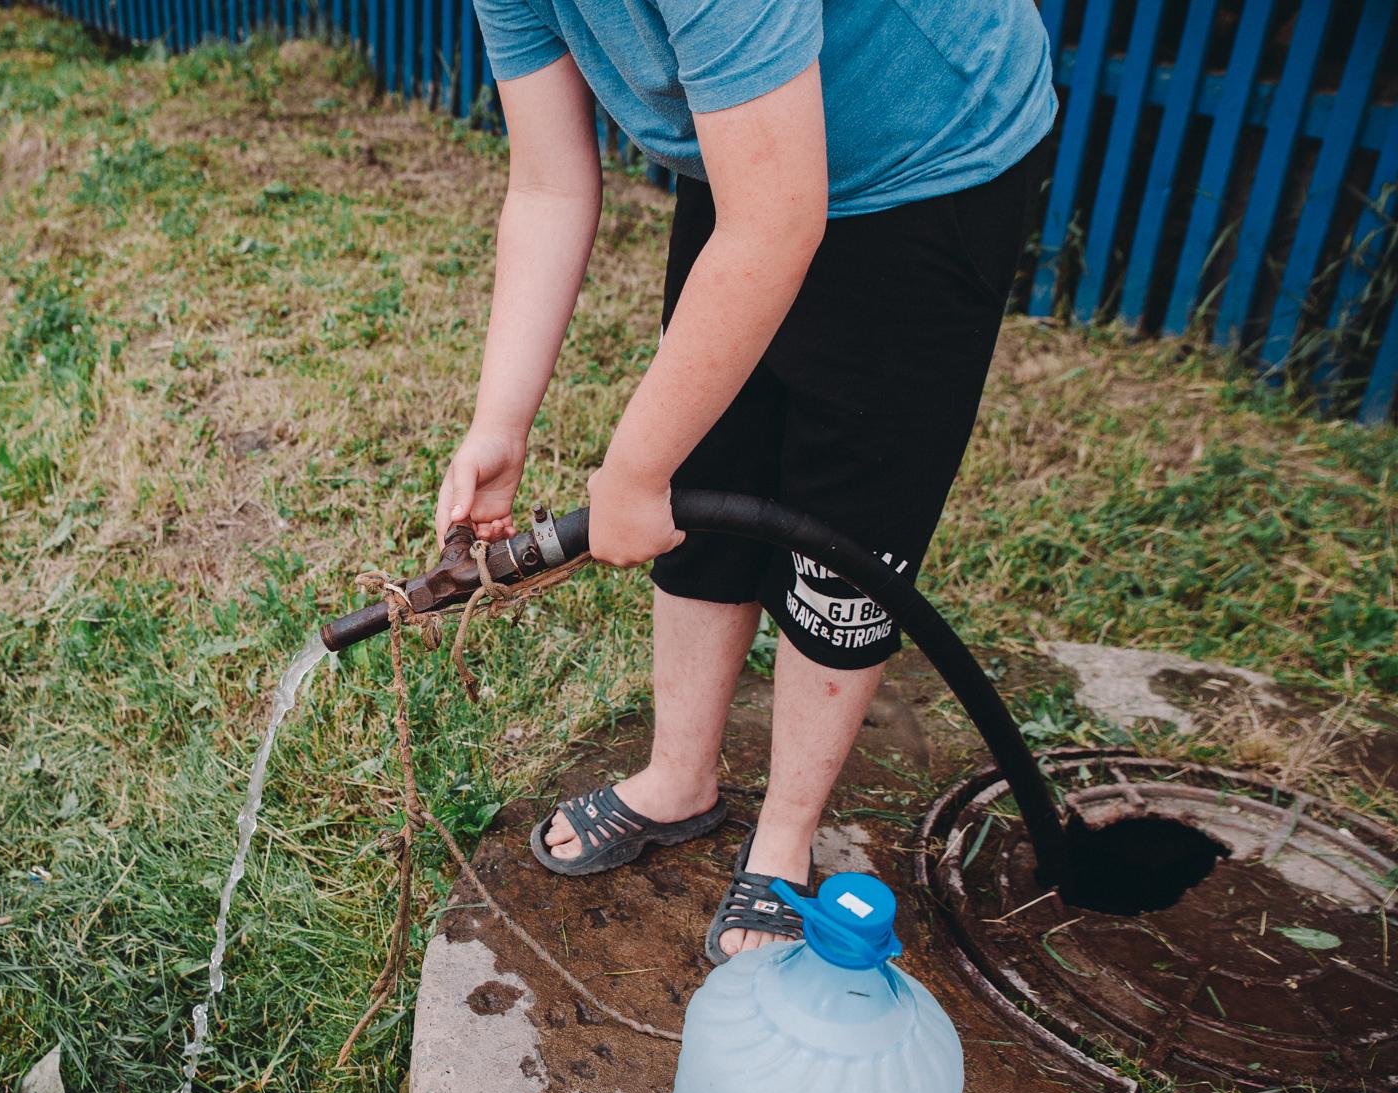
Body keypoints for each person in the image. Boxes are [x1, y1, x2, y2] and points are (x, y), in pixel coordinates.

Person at [436, 0, 1056, 961]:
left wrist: (636, 471)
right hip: (756, 145)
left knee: (848, 523)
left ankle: (784, 843)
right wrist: (500, 423)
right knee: (709, 451)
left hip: (924, 154)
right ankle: (678, 777)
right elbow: (551, 185)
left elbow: (777, 223)